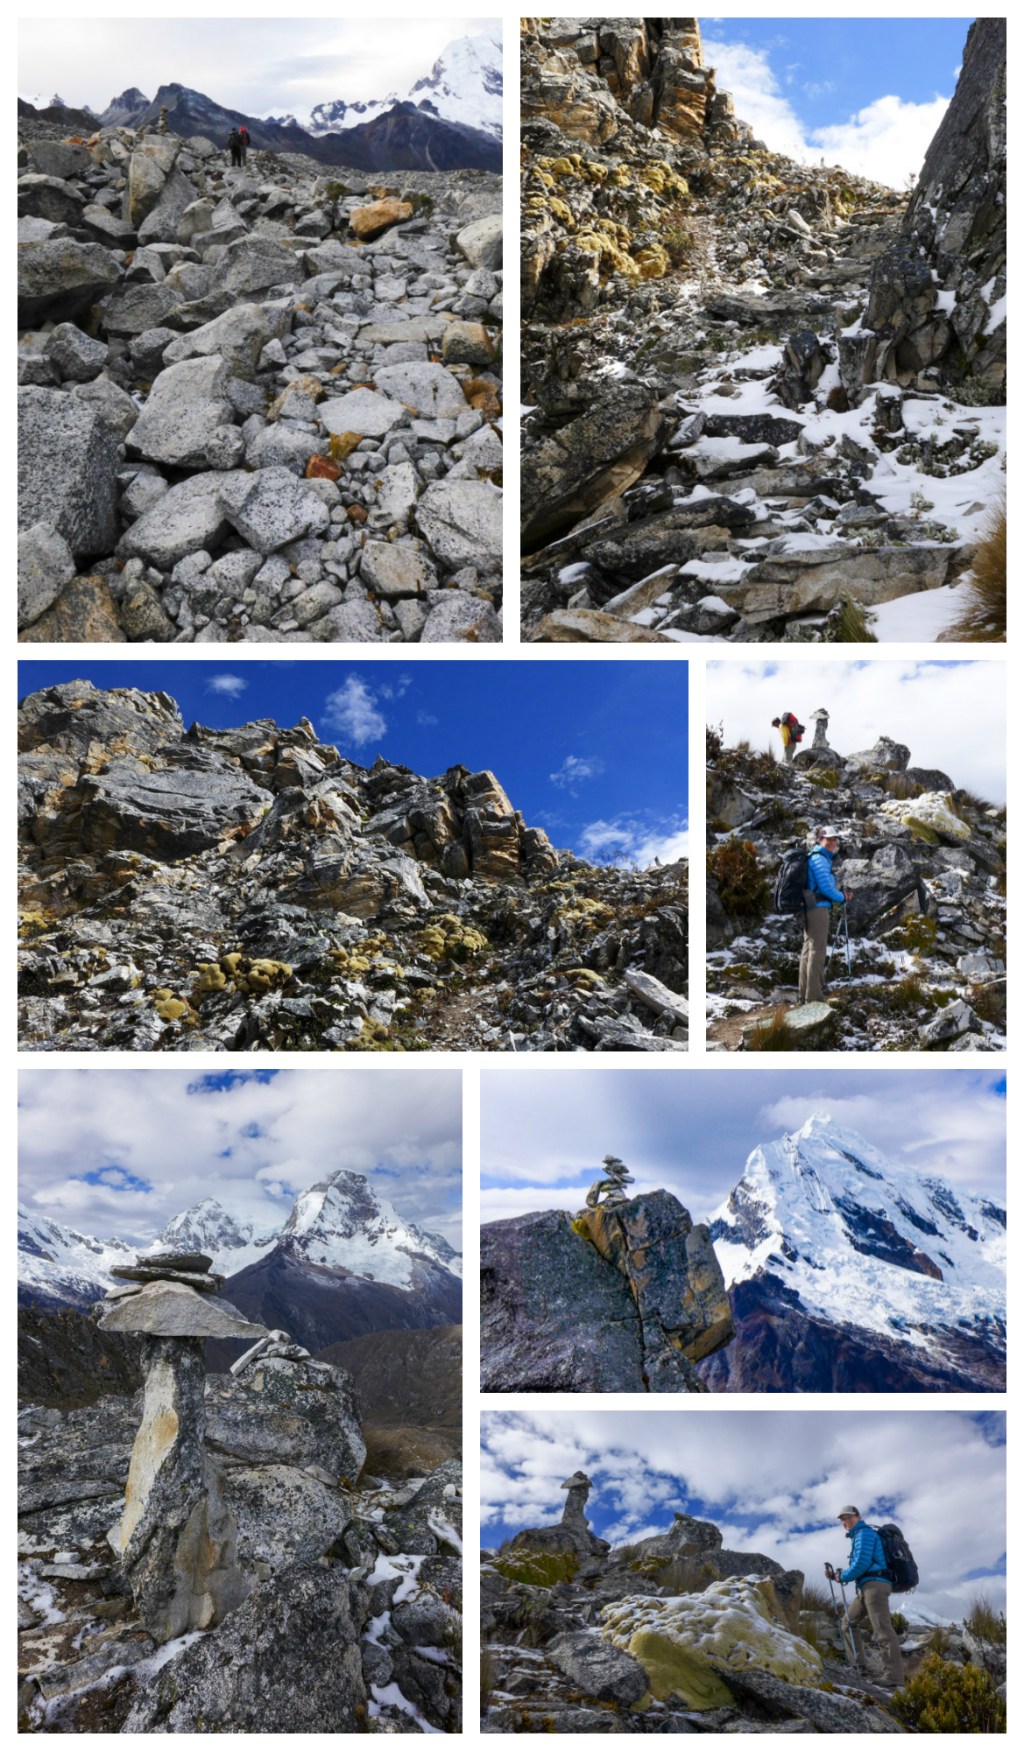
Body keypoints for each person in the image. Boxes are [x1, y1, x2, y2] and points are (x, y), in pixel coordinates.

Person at [827, 1506, 905, 1688]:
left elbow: (861, 1563)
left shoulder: (864, 1533)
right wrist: (836, 1576)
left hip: (874, 1585)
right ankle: (858, 1667)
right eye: (842, 1520)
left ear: (858, 1517)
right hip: (867, 1586)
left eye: (849, 1518)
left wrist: (842, 1576)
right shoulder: (858, 1536)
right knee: (848, 1623)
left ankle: (895, 1677)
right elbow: (860, 1563)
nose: (845, 1522)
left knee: (882, 1629)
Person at [798, 825, 846, 1004]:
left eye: (834, 840)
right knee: (817, 951)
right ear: (820, 840)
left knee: (808, 951)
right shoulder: (820, 859)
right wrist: (841, 898)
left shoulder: (816, 857)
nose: (832, 843)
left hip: (810, 908)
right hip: (818, 909)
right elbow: (826, 888)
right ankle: (814, 997)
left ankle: (804, 995)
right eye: (829, 839)